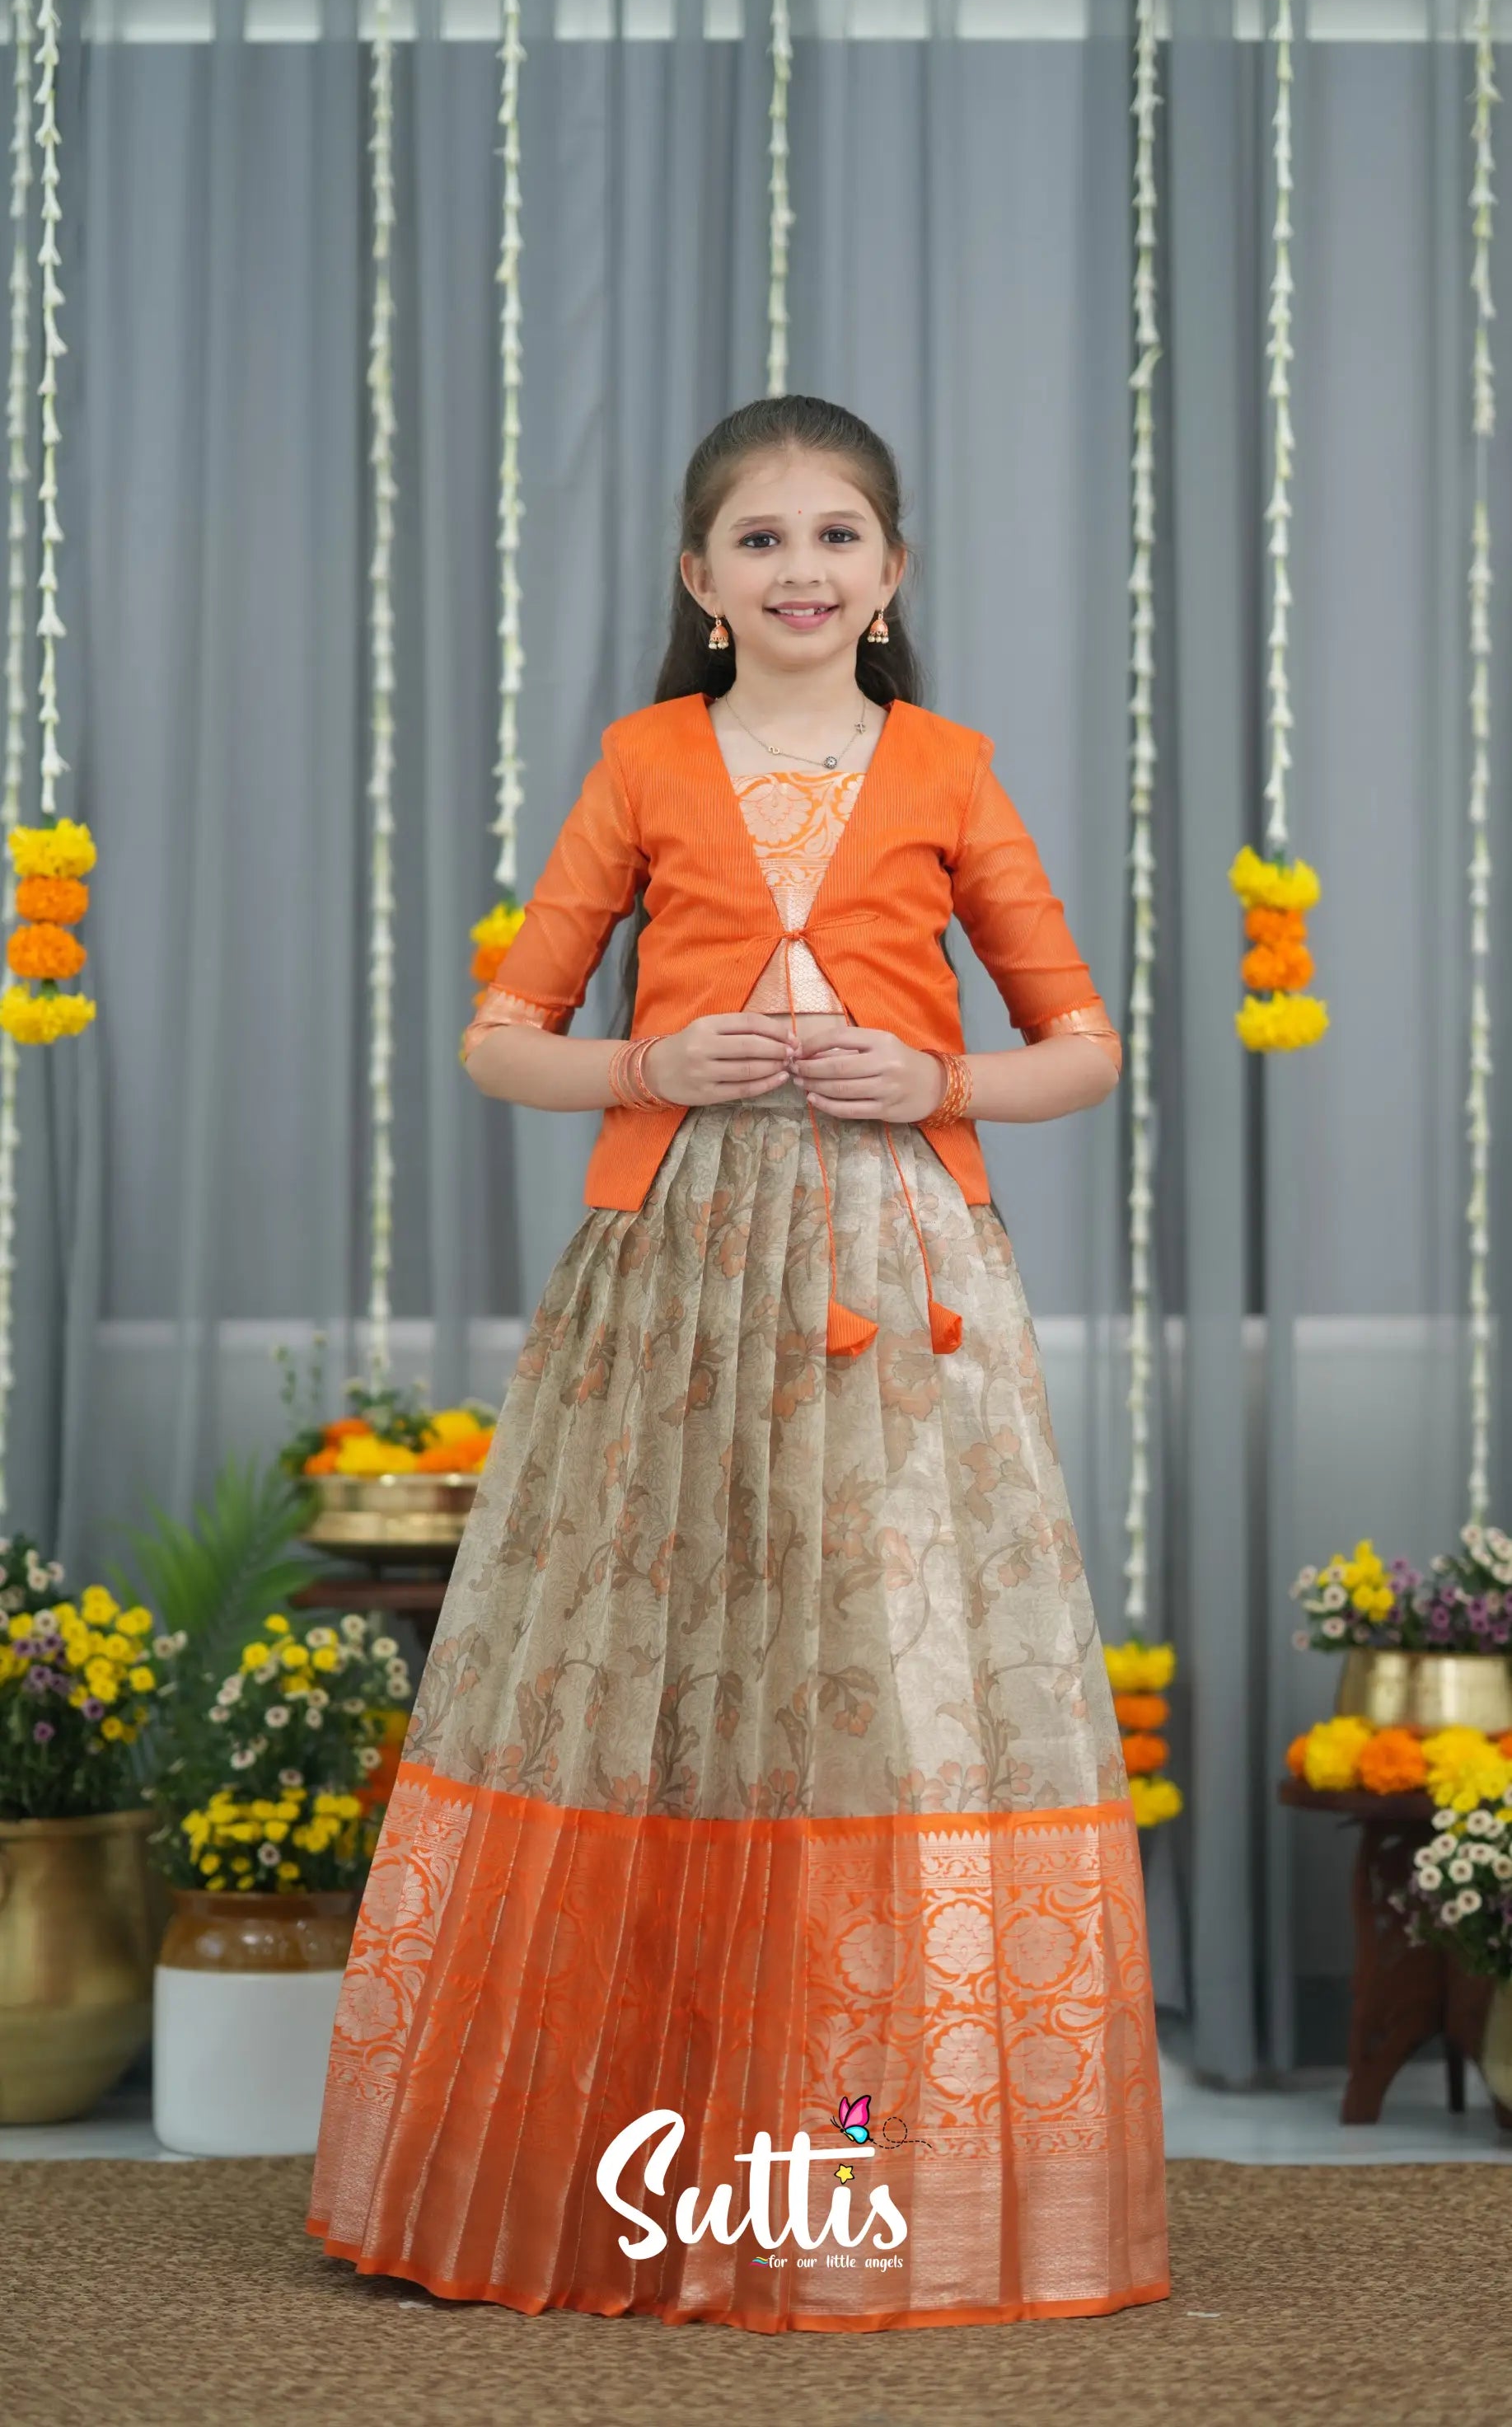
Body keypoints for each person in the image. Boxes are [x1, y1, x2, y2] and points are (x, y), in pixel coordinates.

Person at [307, 394, 1169, 2331]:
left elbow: (1085, 1047)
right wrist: (648, 1062)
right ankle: (633, 2180)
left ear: (892, 575)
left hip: (897, 1284)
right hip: (680, 1285)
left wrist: (934, 1082)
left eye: (837, 535)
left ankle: (854, 2181)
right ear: (700, 582)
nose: (802, 568)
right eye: (761, 539)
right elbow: (501, 1038)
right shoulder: (644, 764)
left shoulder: (949, 771)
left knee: (876, 1696)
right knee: (665, 1687)